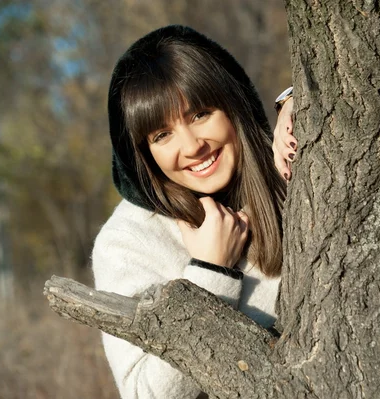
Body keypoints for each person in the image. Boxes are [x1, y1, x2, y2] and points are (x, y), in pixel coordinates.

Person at [92, 25, 294, 399]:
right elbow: (143, 394)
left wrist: (300, 101)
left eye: (200, 114)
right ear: (142, 154)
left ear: (234, 105)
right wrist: (209, 276)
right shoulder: (127, 241)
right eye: (161, 135)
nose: (192, 147)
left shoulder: (286, 168)